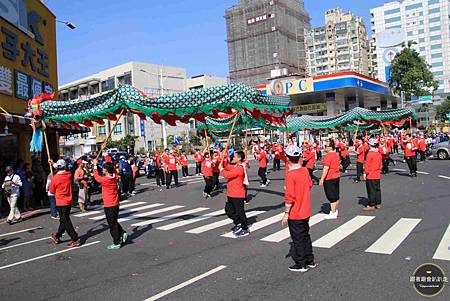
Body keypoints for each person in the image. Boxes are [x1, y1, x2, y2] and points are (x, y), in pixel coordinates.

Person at [281, 145, 316, 272]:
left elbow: (290, 197)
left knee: (297, 239)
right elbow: (310, 185)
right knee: (306, 235)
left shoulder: (291, 174)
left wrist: (286, 213)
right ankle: (310, 259)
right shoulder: (305, 170)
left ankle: (301, 264)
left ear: (288, 158)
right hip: (306, 209)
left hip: (296, 212)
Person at [93, 159, 128, 249]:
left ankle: (117, 242)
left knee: (112, 224)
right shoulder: (115, 176)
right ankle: (122, 233)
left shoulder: (105, 180)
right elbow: (113, 170)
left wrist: (95, 165)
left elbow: (96, 177)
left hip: (109, 204)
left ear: (107, 170)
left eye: (104, 168)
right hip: (115, 203)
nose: (103, 169)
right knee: (114, 221)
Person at [49, 159, 80, 248]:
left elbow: (51, 191)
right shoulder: (68, 174)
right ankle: (57, 236)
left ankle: (75, 238)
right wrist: (53, 163)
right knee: (63, 219)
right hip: (68, 201)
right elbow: (61, 168)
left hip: (60, 202)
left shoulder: (55, 178)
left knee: (65, 220)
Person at [220, 150, 250, 238]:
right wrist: (224, 159)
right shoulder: (235, 166)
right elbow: (227, 166)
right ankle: (238, 223)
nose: (233, 158)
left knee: (240, 212)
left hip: (238, 194)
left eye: (235, 157)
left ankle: (245, 228)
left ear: (239, 158)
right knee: (229, 210)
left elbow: (227, 175)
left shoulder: (240, 168)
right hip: (231, 193)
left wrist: (221, 169)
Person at [319, 141, 341, 219]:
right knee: (336, 194)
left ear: (331, 147)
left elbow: (326, 168)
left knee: (331, 196)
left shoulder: (328, 156)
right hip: (336, 176)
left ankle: (333, 212)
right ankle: (335, 210)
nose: (325, 147)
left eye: (326, 146)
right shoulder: (336, 154)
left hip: (330, 177)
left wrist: (322, 179)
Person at [363, 139, 383, 211]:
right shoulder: (378, 153)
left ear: (370, 145)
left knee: (371, 190)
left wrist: (365, 173)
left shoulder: (370, 154)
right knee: (377, 189)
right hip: (377, 174)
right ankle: (378, 203)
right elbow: (380, 165)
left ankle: (371, 204)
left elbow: (367, 165)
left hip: (371, 174)